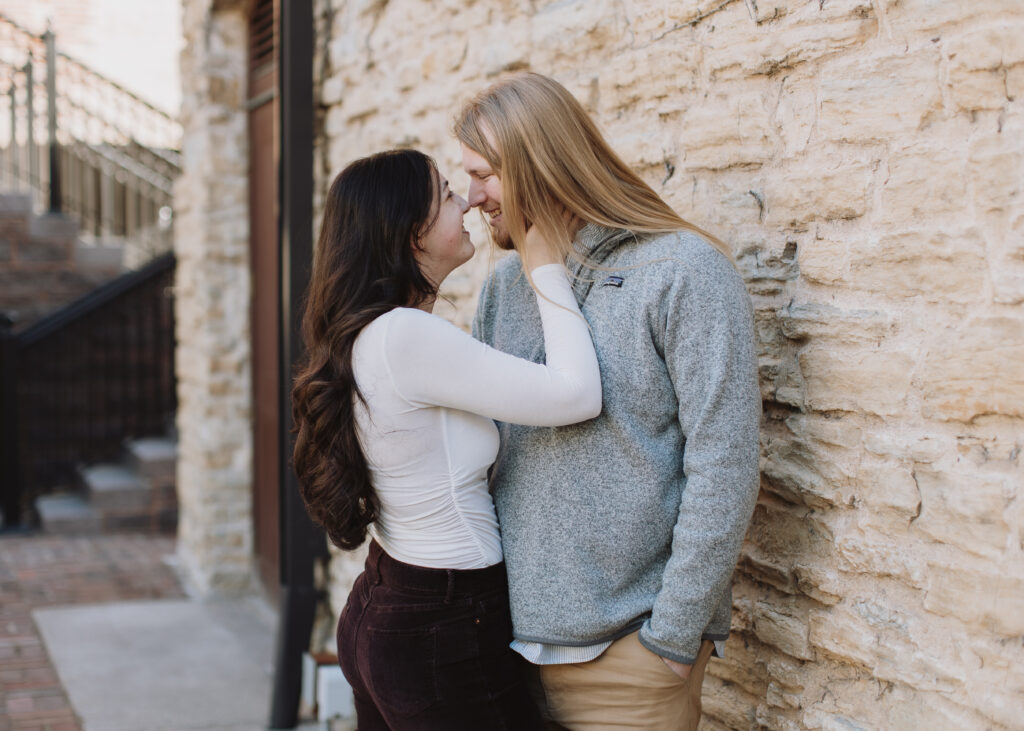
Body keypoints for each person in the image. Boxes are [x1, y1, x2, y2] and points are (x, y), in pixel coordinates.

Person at [456, 71, 761, 730]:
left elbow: (725, 464)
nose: (471, 197)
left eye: (484, 174)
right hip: (505, 663)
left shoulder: (682, 272)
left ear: (538, 163)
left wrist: (672, 641)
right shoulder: (502, 291)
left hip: (631, 665)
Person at [290, 148, 602, 730]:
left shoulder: (373, 332)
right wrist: (547, 264)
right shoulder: (404, 335)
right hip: (443, 623)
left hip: (395, 608)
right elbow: (576, 396)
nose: (468, 203)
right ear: (412, 233)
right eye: (447, 197)